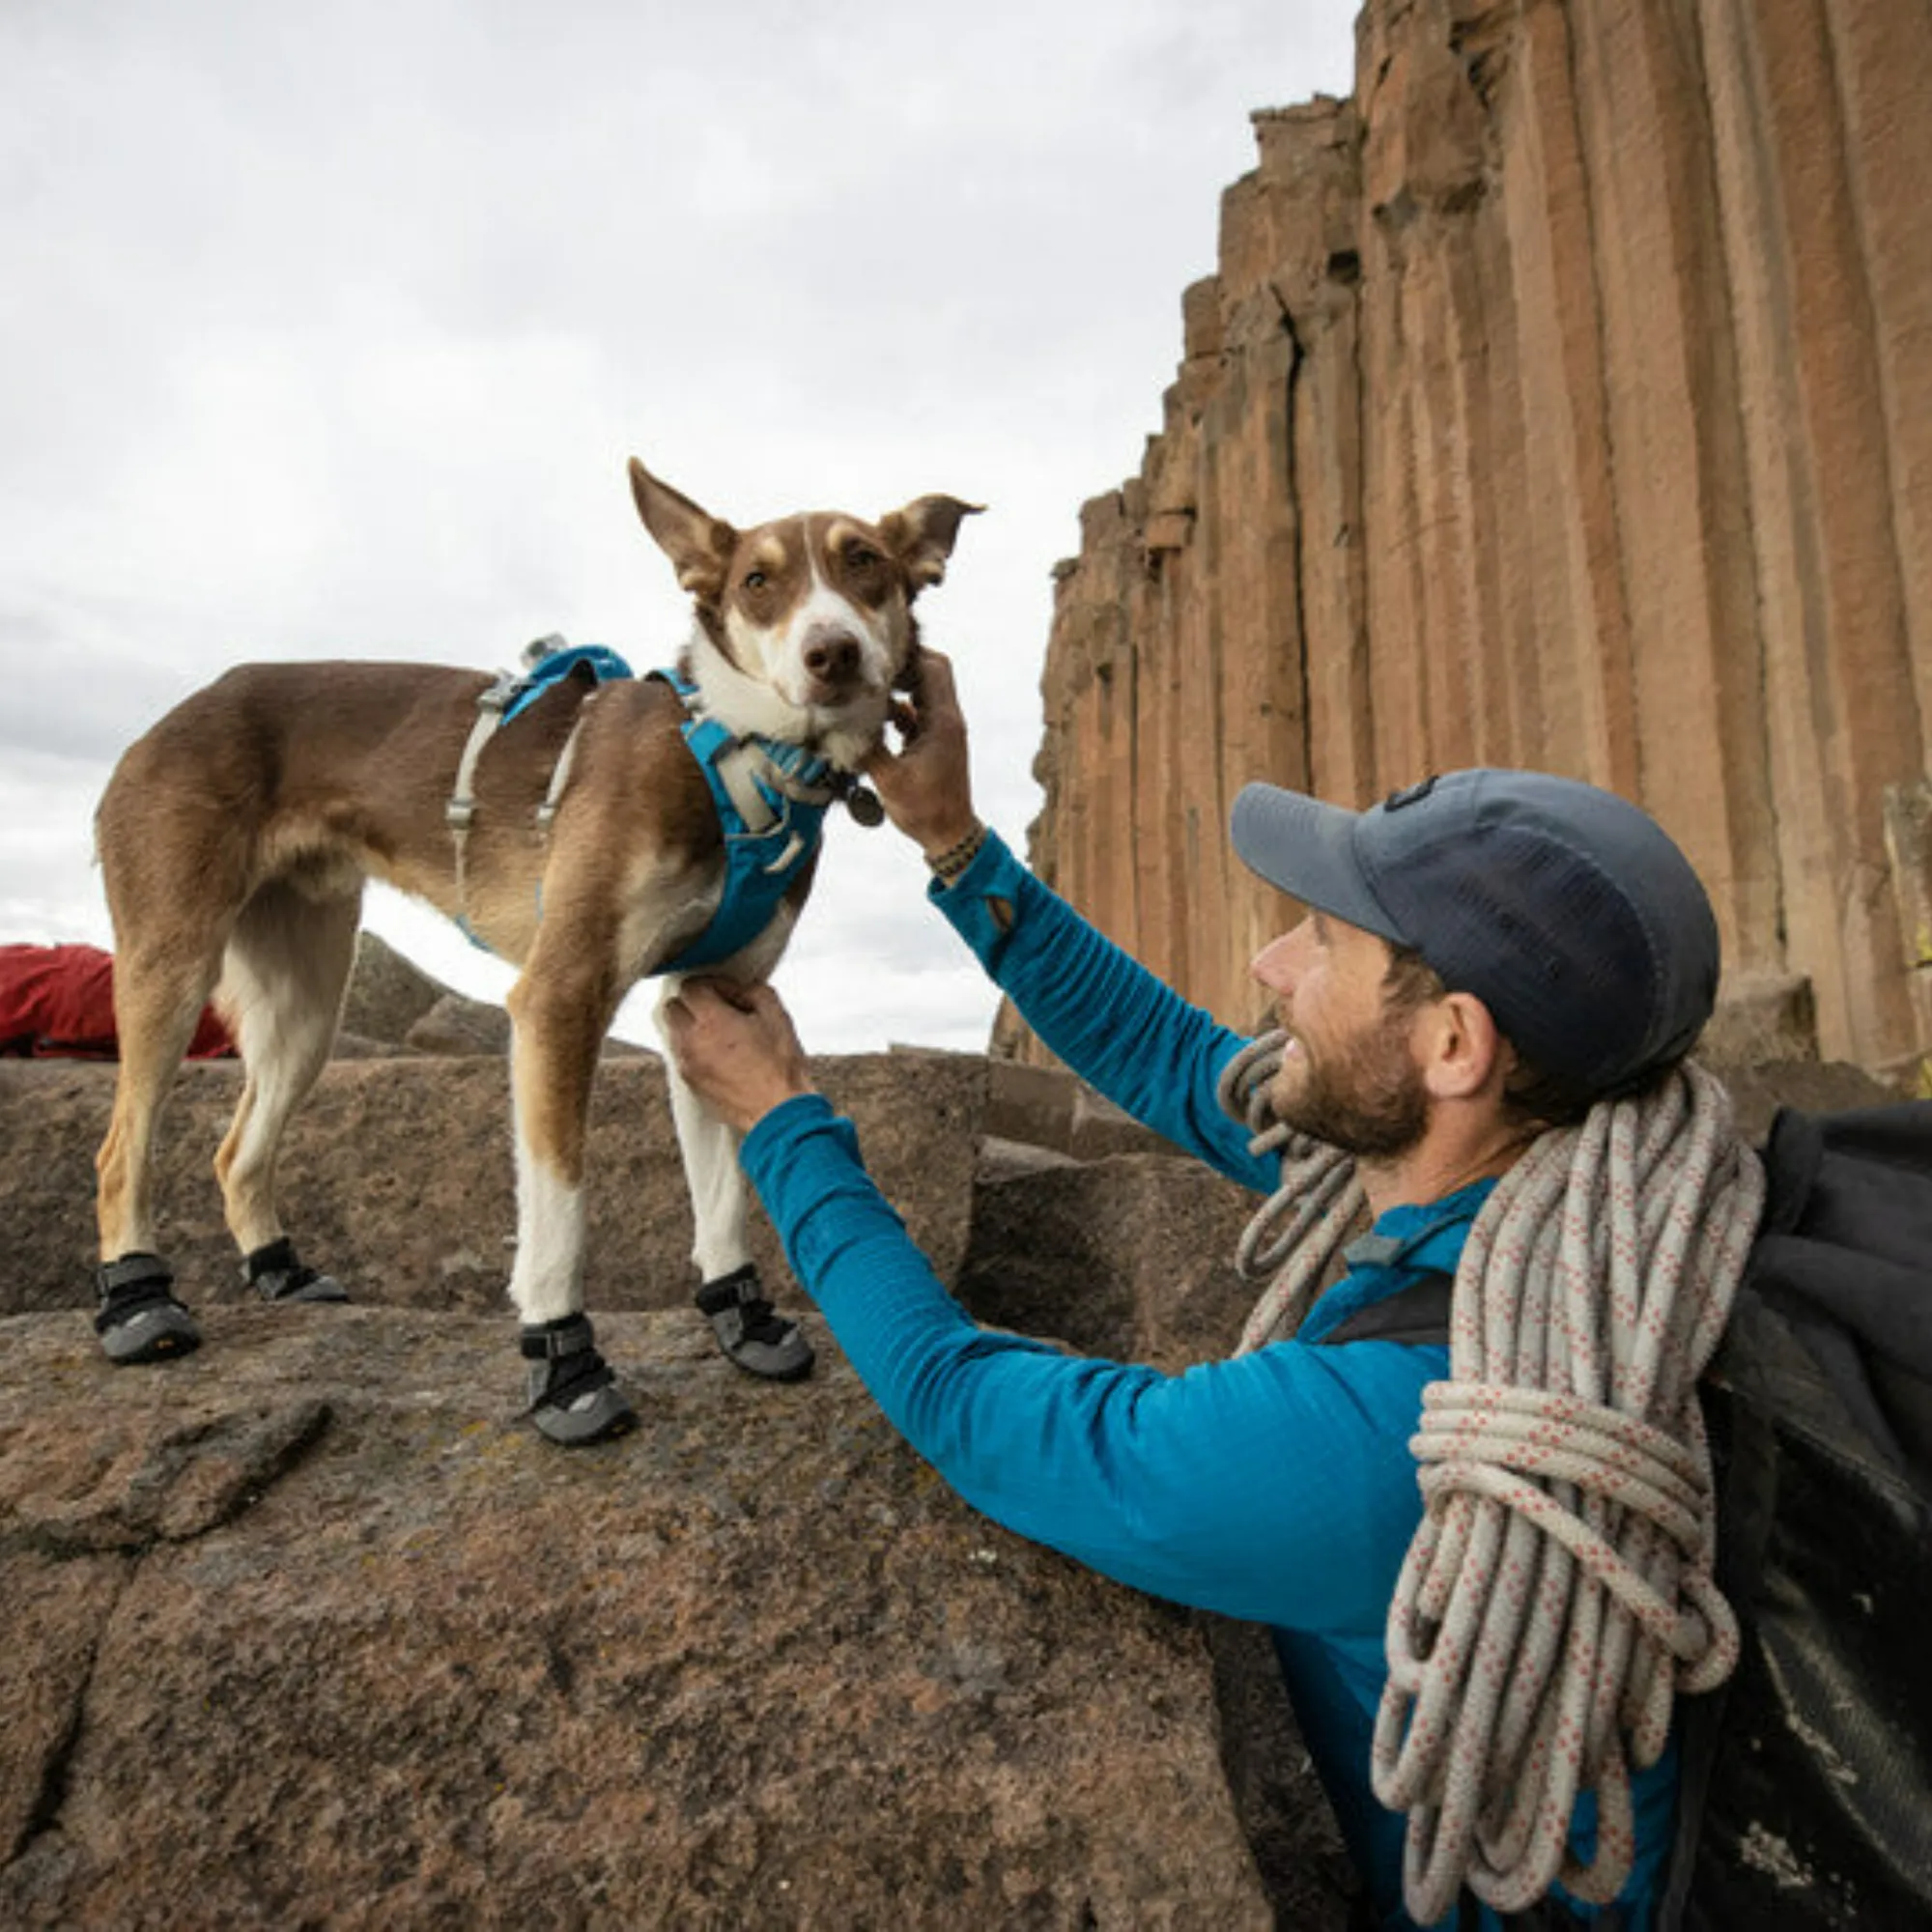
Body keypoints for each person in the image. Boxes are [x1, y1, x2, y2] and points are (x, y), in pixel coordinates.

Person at [662, 652, 1757, 1932]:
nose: (1272, 959)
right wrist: (953, 844)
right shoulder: (1597, 1200)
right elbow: (1190, 1069)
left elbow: (971, 1408)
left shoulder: (1394, 1436)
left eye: (1328, 942)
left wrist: (776, 1117)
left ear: (1454, 1045)